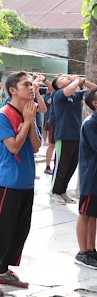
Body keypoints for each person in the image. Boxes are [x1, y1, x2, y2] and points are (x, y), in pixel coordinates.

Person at [0, 71, 41, 297]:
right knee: (2, 229)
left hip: (25, 182)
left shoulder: (29, 111)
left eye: (32, 84)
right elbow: (13, 146)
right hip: (8, 183)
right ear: (13, 89)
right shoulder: (2, 115)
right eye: (26, 84)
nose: (31, 87)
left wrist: (30, 122)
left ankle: (3, 270)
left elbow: (35, 147)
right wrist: (26, 122)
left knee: (20, 229)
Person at [51, 74, 96, 204]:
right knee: (61, 165)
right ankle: (54, 192)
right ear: (60, 85)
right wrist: (76, 81)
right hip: (64, 135)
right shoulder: (58, 94)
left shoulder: (75, 95)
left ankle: (62, 191)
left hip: (76, 136)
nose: (68, 77)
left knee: (71, 165)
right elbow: (69, 89)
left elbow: (94, 91)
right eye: (64, 77)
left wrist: (84, 81)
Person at [76, 87, 97, 269]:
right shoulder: (90, 123)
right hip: (91, 177)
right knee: (85, 214)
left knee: (93, 215)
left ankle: (91, 249)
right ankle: (83, 252)